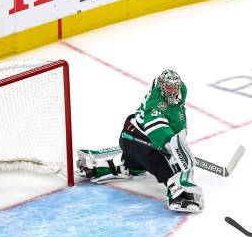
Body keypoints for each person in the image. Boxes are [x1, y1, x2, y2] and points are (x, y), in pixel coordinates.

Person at [77, 69, 203, 213]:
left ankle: (107, 165)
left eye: (175, 87)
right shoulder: (156, 106)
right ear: (162, 87)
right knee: (176, 169)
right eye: (169, 88)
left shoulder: (178, 90)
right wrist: (170, 144)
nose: (173, 91)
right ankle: (180, 196)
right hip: (141, 142)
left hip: (130, 134)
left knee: (134, 164)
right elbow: (156, 127)